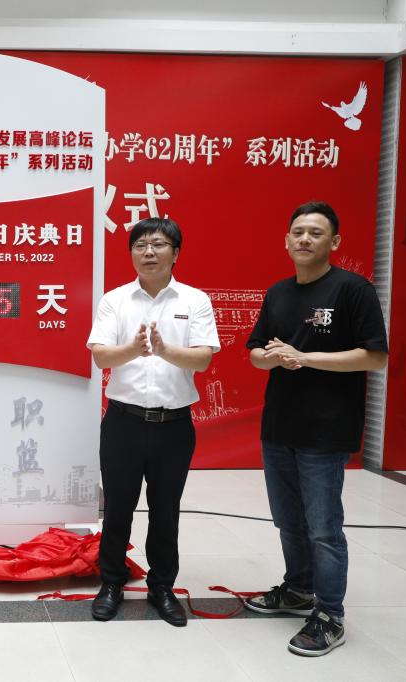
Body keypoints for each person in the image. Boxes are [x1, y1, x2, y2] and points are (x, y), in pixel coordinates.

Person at [245, 201, 387, 656]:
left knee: (323, 527)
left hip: (326, 430)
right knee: (288, 521)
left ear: (334, 242)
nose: (305, 239)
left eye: (316, 233)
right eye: (298, 232)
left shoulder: (353, 290)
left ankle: (330, 615)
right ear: (286, 240)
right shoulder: (278, 292)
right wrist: (271, 357)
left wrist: (305, 358)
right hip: (278, 426)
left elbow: (375, 356)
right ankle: (298, 588)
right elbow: (255, 352)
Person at [86, 217, 220, 627]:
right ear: (131, 253)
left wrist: (164, 350)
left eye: (158, 244)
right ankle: (111, 583)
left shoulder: (194, 300)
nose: (148, 252)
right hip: (123, 423)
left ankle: (162, 587)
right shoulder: (115, 300)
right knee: (118, 508)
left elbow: (203, 358)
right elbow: (101, 356)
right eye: (140, 245)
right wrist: (134, 348)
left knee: (166, 510)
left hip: (173, 425)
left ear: (175, 253)